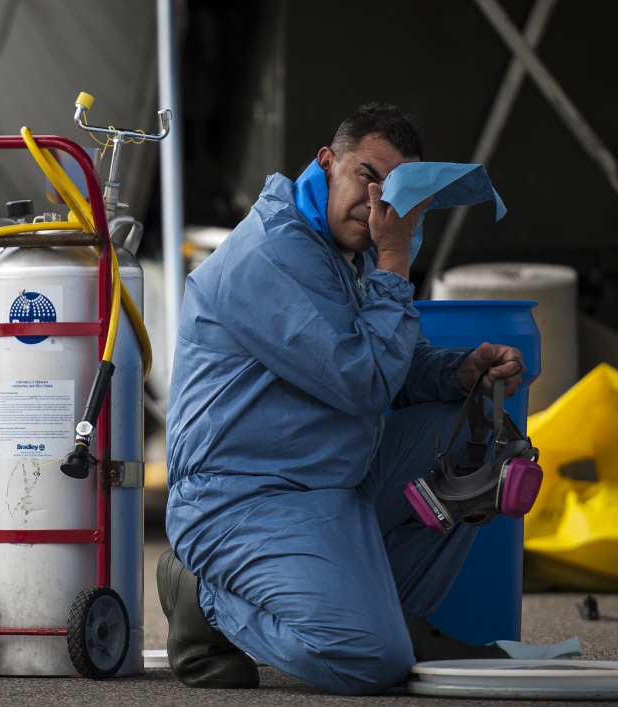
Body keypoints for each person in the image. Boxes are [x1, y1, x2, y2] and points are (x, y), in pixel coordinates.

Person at [158, 103, 526, 695]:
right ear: (327, 163)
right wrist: (397, 259)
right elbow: (364, 381)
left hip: (332, 482)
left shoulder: (344, 254)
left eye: (398, 188)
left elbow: (395, 367)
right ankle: (206, 593)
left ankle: (375, 612)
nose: (381, 201)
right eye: (367, 174)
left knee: (479, 441)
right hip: (245, 497)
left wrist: (462, 373)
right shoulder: (273, 254)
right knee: (371, 662)